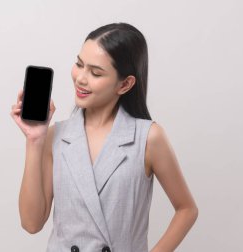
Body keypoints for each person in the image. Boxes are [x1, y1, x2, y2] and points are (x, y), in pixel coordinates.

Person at [10, 22, 198, 252]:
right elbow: (31, 223)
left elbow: (186, 209)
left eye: (96, 72)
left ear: (125, 84)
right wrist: (34, 140)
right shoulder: (56, 135)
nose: (81, 78)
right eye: (79, 64)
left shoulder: (148, 138)